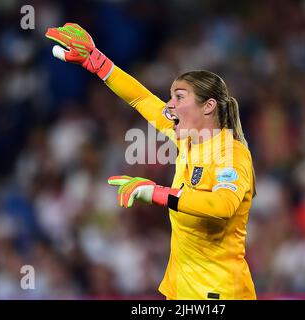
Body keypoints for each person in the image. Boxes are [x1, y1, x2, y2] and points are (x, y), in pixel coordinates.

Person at [46, 23, 256, 300]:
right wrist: (97, 62)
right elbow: (141, 98)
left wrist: (155, 192)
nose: (169, 105)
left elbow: (222, 206)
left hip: (219, 293)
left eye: (179, 98)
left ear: (208, 107)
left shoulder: (231, 152)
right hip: (183, 289)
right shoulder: (187, 140)